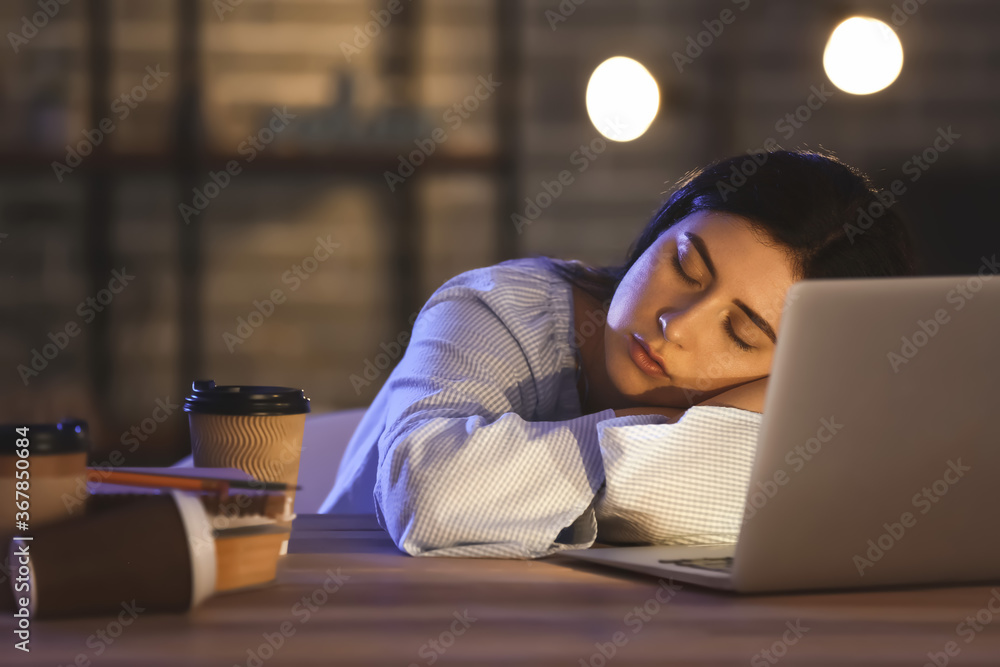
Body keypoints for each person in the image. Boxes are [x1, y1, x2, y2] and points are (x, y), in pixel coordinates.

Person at [320, 149, 918, 558]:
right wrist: (673, 430)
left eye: (739, 333)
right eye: (685, 265)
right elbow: (428, 495)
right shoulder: (498, 308)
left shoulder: (808, 410)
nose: (676, 325)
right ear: (661, 228)